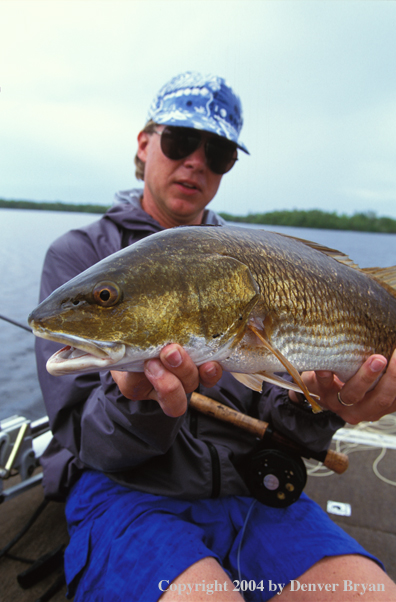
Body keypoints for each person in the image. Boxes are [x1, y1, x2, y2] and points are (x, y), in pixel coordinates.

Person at [35, 72, 396, 601]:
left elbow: (293, 424)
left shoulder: (248, 256)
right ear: (145, 143)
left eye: (219, 151)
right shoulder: (78, 255)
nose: (196, 161)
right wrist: (139, 401)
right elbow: (84, 440)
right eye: (181, 140)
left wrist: (337, 405)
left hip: (251, 488)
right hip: (126, 493)